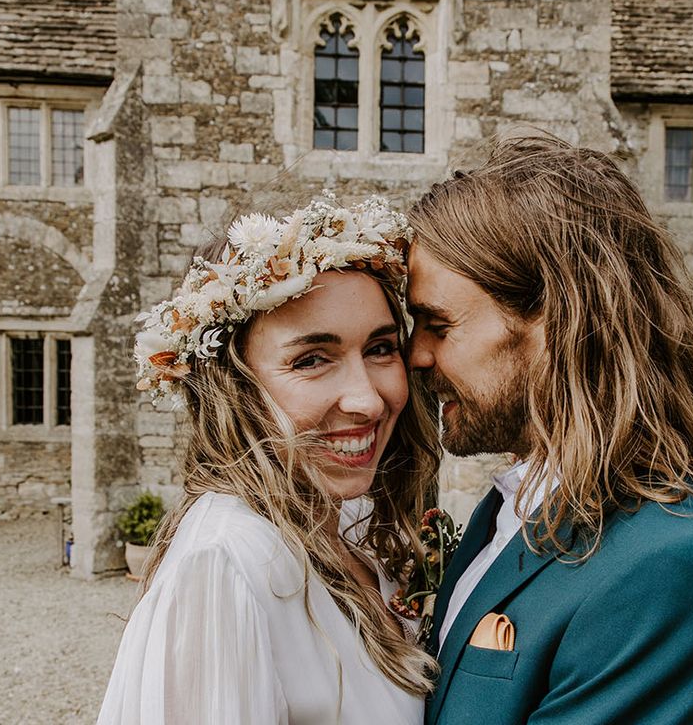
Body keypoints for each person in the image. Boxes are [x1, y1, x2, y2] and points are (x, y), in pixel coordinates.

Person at [407, 136, 693, 725]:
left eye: (437, 324)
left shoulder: (677, 568)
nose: (416, 355)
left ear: (555, 319)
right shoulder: (510, 510)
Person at [97, 195, 439, 725]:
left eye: (380, 349)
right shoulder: (227, 564)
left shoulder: (353, 528)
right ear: (236, 386)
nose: (368, 400)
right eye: (312, 360)